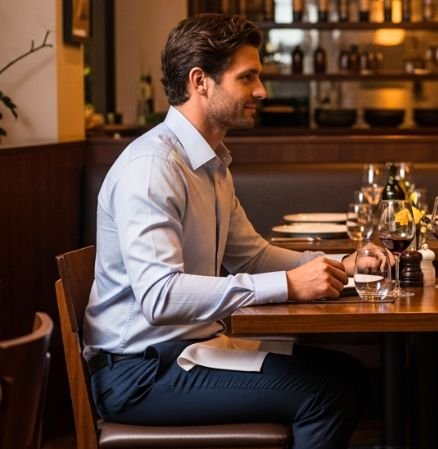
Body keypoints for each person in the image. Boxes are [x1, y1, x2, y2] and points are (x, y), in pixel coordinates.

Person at [83, 14, 372, 449]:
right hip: (138, 373)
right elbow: (160, 297)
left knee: (349, 373)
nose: (261, 91)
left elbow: (251, 257)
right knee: (326, 391)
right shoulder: (153, 168)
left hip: (184, 351)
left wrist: (341, 265)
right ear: (201, 81)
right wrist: (287, 284)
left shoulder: (210, 161)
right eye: (248, 78)